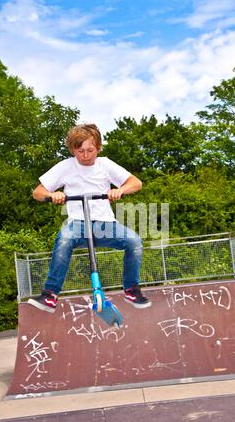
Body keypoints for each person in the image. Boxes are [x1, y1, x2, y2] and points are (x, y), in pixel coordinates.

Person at [28, 123, 151, 313]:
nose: (85, 155)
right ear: (73, 150)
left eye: (90, 150)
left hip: (106, 224)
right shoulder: (65, 167)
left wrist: (120, 190)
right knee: (64, 240)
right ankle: (50, 294)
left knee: (134, 241)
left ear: (98, 148)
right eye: (80, 151)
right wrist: (52, 195)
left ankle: (131, 289)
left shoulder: (106, 164)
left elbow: (136, 183)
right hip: (77, 224)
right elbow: (37, 192)